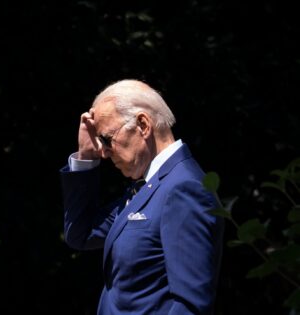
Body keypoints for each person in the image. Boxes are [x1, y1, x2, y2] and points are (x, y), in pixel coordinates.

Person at [60, 79, 224, 315]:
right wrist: (86, 157)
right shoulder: (150, 185)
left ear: (143, 125)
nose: (104, 152)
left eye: (106, 139)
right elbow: (81, 234)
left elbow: (190, 305)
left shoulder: (183, 189)